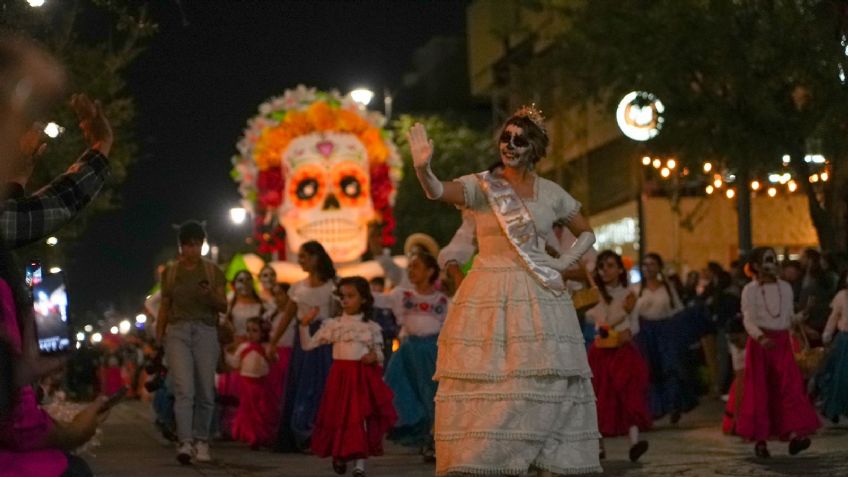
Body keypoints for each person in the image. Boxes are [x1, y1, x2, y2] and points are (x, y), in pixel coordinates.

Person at [408, 105, 601, 476]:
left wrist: (561, 264)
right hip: (489, 294)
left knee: (542, 376)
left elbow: (588, 233)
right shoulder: (483, 186)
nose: (509, 145)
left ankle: (543, 452)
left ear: (535, 148)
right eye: (505, 138)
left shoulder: (552, 194)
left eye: (519, 140)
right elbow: (436, 191)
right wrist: (423, 169)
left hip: (540, 297)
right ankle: (486, 459)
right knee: (491, 378)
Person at [298, 276, 397, 477]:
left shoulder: (371, 328)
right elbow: (308, 345)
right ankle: (339, 454)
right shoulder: (334, 325)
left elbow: (379, 354)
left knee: (360, 419)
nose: (345, 300)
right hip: (339, 377)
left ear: (363, 299)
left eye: (350, 296)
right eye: (342, 296)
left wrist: (373, 356)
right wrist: (303, 325)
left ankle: (359, 464)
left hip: (360, 377)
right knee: (338, 416)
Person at [736, 247, 820, 458]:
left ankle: (795, 436)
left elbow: (788, 318)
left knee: (789, 388)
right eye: (767, 260)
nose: (772, 263)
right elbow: (748, 319)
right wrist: (760, 337)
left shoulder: (785, 287)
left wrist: (802, 315)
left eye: (774, 259)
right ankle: (761, 441)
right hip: (761, 345)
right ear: (755, 265)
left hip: (782, 344)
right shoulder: (750, 290)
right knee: (761, 391)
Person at [155, 221, 227, 465]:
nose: (192, 250)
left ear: (203, 245)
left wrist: (210, 295)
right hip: (177, 331)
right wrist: (158, 335)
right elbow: (165, 305)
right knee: (184, 389)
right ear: (181, 246)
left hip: (205, 330)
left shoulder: (212, 271)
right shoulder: (171, 273)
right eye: (188, 245)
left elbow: (224, 306)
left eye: (197, 245)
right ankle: (185, 441)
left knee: (206, 388)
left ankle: (201, 440)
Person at [268, 240, 337, 452]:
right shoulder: (298, 288)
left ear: (316, 257)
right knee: (302, 385)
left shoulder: (333, 286)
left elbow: (339, 315)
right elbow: (287, 317)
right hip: (304, 341)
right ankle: (302, 433)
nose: (300, 261)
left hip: (325, 341)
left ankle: (322, 434)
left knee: (323, 385)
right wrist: (273, 342)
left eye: (304, 256)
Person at [585, 251, 650, 463]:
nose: (606, 270)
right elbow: (602, 321)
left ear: (620, 269)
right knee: (599, 396)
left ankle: (634, 443)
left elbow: (634, 324)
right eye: (602, 266)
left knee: (628, 394)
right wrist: (621, 312)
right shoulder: (595, 294)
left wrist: (629, 332)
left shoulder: (628, 293)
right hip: (602, 351)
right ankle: (598, 446)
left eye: (611, 265)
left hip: (623, 351)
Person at [382, 252, 448, 460]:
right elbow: (378, 300)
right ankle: (418, 434)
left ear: (430, 271)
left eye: (416, 266)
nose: (411, 271)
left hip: (432, 351)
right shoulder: (402, 295)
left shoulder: (442, 301)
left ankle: (433, 440)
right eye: (409, 267)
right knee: (401, 390)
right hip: (408, 351)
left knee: (431, 395)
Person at [633, 252, 695, 423]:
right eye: (645, 265)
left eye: (652, 264)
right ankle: (655, 407)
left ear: (659, 267)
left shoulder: (667, 287)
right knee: (650, 368)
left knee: (670, 367)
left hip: (665, 330)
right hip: (645, 331)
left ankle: (673, 404)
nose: (648, 268)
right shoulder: (637, 289)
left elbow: (677, 309)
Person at [216, 269, 268, 438]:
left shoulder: (262, 305)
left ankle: (247, 427)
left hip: (252, 352)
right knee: (229, 391)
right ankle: (228, 427)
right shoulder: (230, 302)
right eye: (240, 279)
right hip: (233, 348)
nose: (244, 284)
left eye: (247, 280)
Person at [225, 317, 280, 449]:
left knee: (262, 411)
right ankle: (252, 437)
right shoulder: (243, 347)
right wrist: (227, 353)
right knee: (249, 412)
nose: (250, 334)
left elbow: (274, 360)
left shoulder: (266, 348)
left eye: (254, 331)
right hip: (246, 384)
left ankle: (262, 436)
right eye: (248, 330)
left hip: (262, 384)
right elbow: (235, 362)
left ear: (263, 333)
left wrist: (271, 354)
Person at [819, 271, 848, 423]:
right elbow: (834, 316)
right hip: (844, 340)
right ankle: (833, 409)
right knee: (839, 377)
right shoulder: (842, 296)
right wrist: (827, 334)